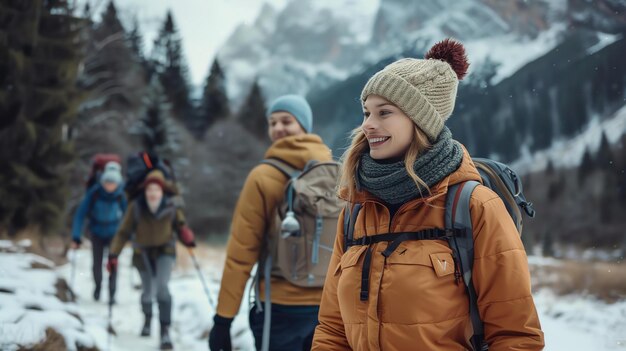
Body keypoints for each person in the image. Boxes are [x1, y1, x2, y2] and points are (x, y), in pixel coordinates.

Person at [312, 39, 545, 350]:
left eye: (384, 113)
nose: (368, 125)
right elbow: (332, 328)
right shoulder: (356, 209)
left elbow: (516, 336)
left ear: (420, 120)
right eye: (366, 113)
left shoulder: (473, 206)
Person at [209, 95, 333, 351]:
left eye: (286, 120)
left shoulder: (262, 176)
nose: (278, 128)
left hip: (278, 307)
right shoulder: (333, 170)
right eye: (272, 122)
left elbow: (241, 254)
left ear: (303, 125)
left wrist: (223, 319)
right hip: (326, 308)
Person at [107, 169, 195, 350]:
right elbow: (123, 232)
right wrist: (114, 254)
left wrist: (187, 236)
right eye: (150, 190)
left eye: (156, 190)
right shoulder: (136, 207)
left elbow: (181, 226)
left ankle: (165, 332)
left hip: (165, 252)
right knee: (148, 291)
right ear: (145, 191)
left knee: (162, 288)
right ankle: (147, 321)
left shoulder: (171, 206)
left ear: (162, 191)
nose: (153, 193)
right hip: (142, 254)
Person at [72, 161, 127, 302]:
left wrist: (128, 235)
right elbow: (80, 214)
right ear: (103, 181)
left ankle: (112, 293)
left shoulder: (121, 195)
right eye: (107, 182)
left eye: (113, 183)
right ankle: (97, 286)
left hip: (114, 234)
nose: (109, 186)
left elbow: (128, 217)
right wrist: (76, 236)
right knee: (97, 263)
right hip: (96, 232)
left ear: (118, 183)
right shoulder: (94, 192)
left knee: (113, 263)